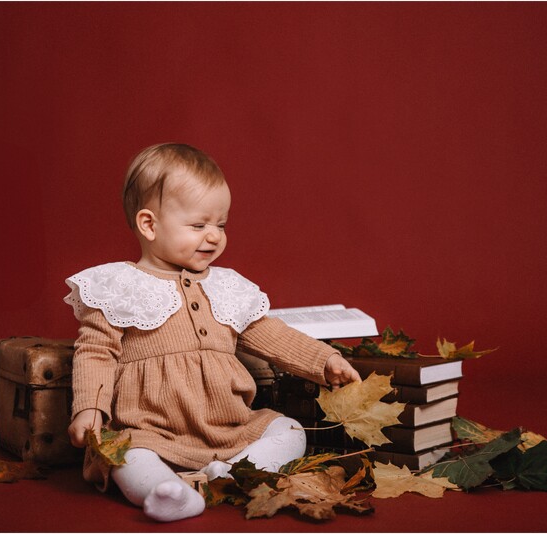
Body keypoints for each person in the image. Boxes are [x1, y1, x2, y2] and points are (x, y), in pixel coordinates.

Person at [64, 143, 361, 522]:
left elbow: (268, 332)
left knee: (289, 430)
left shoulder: (227, 287)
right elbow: (95, 351)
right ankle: (164, 491)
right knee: (126, 455)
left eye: (220, 225)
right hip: (151, 428)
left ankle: (231, 473)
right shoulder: (118, 285)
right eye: (199, 225)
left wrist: (324, 359)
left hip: (230, 428)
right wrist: (90, 407)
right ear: (149, 224)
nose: (214, 236)